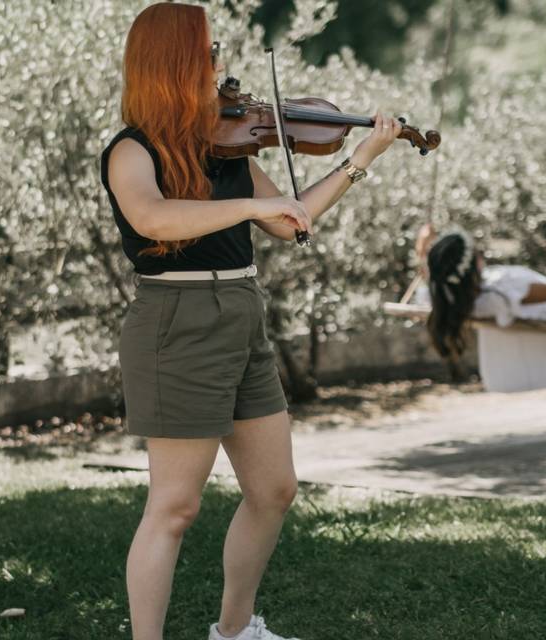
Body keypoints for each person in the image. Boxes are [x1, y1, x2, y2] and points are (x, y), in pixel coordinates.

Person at [99, 3, 403, 639]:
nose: (218, 66)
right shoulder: (130, 151)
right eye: (207, 55)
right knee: (175, 507)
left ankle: (234, 632)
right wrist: (241, 204)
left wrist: (362, 157)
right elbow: (154, 219)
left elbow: (289, 218)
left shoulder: (226, 142)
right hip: (175, 320)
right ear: (174, 64)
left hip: (240, 310)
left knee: (274, 490)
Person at [414, 208, 546, 437]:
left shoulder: (451, 297)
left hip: (541, 329)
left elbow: (434, 277)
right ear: (474, 265)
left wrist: (423, 248)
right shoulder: (501, 291)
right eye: (477, 254)